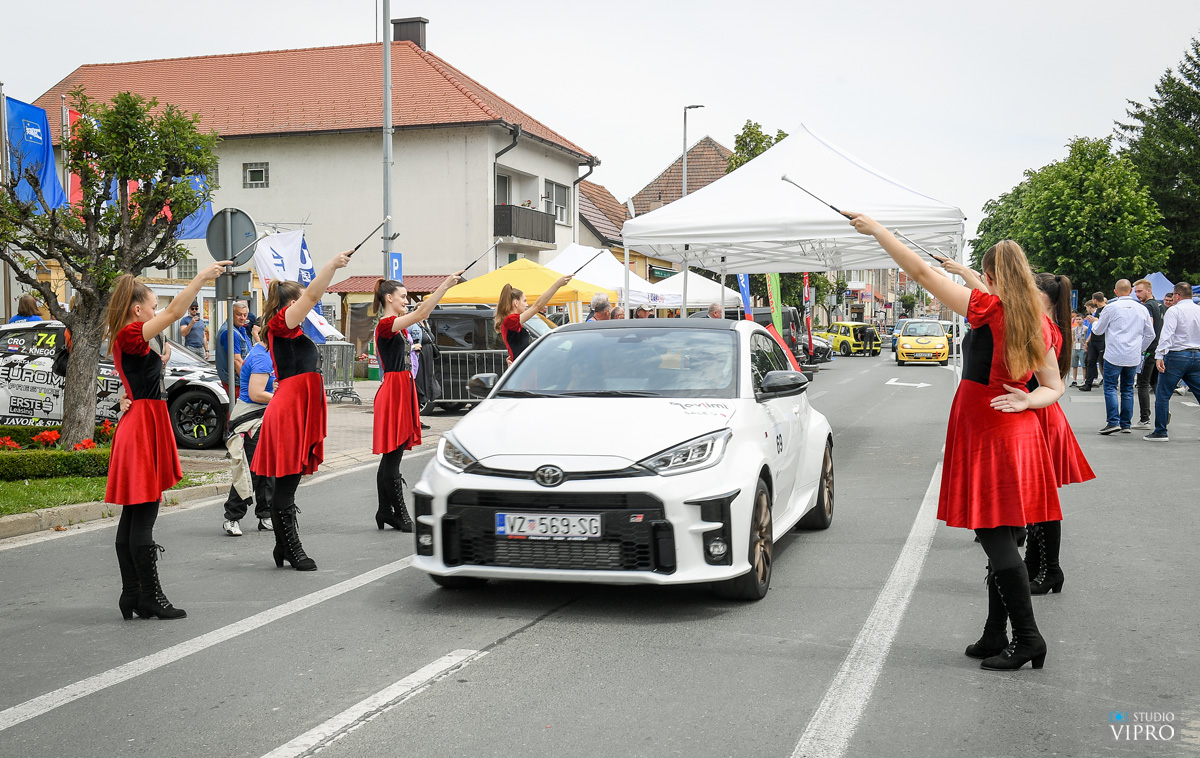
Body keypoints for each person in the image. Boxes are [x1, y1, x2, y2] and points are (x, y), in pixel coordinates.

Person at [853, 214, 1062, 672]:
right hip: (1018, 431)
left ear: (990, 276)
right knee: (1003, 535)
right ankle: (995, 633)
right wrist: (1027, 401)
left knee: (994, 535)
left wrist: (880, 231)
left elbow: (920, 273)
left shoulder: (988, 308)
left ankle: (1028, 638)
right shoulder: (1039, 322)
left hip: (988, 431)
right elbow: (1055, 387)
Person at [105, 260, 230, 620]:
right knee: (143, 516)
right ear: (137, 309)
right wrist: (202, 277)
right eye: (152, 306)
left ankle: (133, 594)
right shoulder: (132, 333)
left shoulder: (129, 337)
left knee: (133, 515)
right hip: (143, 426)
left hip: (141, 422)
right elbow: (176, 311)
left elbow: (137, 377)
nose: (156, 312)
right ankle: (149, 596)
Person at [252, 251, 352, 571]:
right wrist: (331, 266)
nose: (309, 305)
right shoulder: (281, 323)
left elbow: (308, 298)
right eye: (302, 301)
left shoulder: (291, 330)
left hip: (297, 407)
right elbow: (311, 296)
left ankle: (283, 547)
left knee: (288, 483)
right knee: (286, 485)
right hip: (290, 411)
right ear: (291, 304)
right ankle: (291, 548)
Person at [1022, 272, 1095, 595]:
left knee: (1041, 500)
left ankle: (1050, 569)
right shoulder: (1053, 324)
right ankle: (1035, 565)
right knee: (1035, 499)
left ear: (1042, 296)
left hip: (1040, 414)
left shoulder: (1042, 325)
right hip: (1042, 413)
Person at [371, 273, 462, 530]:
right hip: (395, 390)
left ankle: (385, 511)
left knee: (391, 455)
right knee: (393, 455)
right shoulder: (386, 324)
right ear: (389, 298)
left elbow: (421, 313)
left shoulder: (394, 325)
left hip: (400, 387)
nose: (406, 300)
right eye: (402, 296)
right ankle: (397, 514)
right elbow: (422, 313)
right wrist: (445, 285)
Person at [221, 329, 276, 536]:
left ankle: (265, 515)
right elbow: (256, 393)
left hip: (260, 418)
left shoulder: (264, 353)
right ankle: (232, 518)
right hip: (251, 420)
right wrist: (281, 397)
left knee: (266, 469)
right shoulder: (262, 358)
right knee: (249, 470)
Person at [1092, 280, 1154, 435]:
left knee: (1110, 387)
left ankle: (1113, 421)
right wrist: (1140, 349)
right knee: (1127, 389)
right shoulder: (1142, 309)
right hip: (1133, 355)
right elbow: (1150, 334)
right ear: (1131, 290)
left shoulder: (1110, 308)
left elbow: (1098, 331)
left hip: (1114, 353)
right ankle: (1126, 423)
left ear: (1115, 291)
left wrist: (1095, 322)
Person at [1145, 282, 1200, 441]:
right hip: (1196, 354)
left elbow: (1167, 334)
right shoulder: (1198, 309)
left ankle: (1160, 431)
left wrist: (1159, 355)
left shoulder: (1174, 310)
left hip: (1177, 355)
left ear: (1177, 295)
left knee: (1163, 394)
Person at [495, 275, 573, 364]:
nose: (527, 304)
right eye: (524, 301)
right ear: (516, 303)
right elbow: (537, 306)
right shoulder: (510, 320)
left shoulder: (511, 321)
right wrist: (557, 285)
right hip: (523, 367)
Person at [215, 301, 251, 397]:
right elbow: (237, 361)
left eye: (245, 315)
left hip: (238, 381)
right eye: (239, 314)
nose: (242, 318)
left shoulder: (239, 329)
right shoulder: (230, 332)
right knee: (241, 406)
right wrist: (249, 381)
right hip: (237, 382)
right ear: (231, 314)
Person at [1078, 294, 1106, 390]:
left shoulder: (1106, 310)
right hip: (1094, 339)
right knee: (1090, 361)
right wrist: (1088, 341)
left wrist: (1096, 321)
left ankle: (1108, 382)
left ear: (1095, 300)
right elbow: (1094, 328)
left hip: (1102, 339)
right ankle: (1088, 383)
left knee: (1103, 362)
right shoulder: (1097, 310)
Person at [1069, 313, 1087, 386]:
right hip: (1075, 348)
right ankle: (1074, 380)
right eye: (1077, 319)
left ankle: (1084, 379)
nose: (1078, 321)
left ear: (1083, 320)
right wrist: (1071, 347)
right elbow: (1073, 338)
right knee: (1074, 365)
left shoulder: (1085, 328)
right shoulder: (1074, 329)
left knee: (1083, 365)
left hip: (1082, 347)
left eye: (1080, 319)